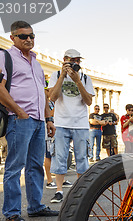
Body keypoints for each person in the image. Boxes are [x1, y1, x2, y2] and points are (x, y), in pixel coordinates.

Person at [0, 20, 58, 221]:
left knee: (36, 166)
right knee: (15, 166)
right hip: (19, 119)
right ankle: (11, 212)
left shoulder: (37, 63)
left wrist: (49, 118)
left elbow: (43, 95)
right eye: (23, 36)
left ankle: (35, 206)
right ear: (12, 38)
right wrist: (19, 111)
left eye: (32, 36)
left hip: (38, 121)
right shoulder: (4, 56)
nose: (29, 39)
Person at [48, 49, 95, 203]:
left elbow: (88, 101)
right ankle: (59, 190)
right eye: (72, 60)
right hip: (61, 122)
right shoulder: (55, 75)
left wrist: (78, 81)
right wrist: (62, 75)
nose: (76, 63)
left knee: (82, 158)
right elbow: (52, 97)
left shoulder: (85, 78)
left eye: (78, 60)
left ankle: (80, 192)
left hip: (80, 123)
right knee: (60, 157)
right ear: (64, 60)